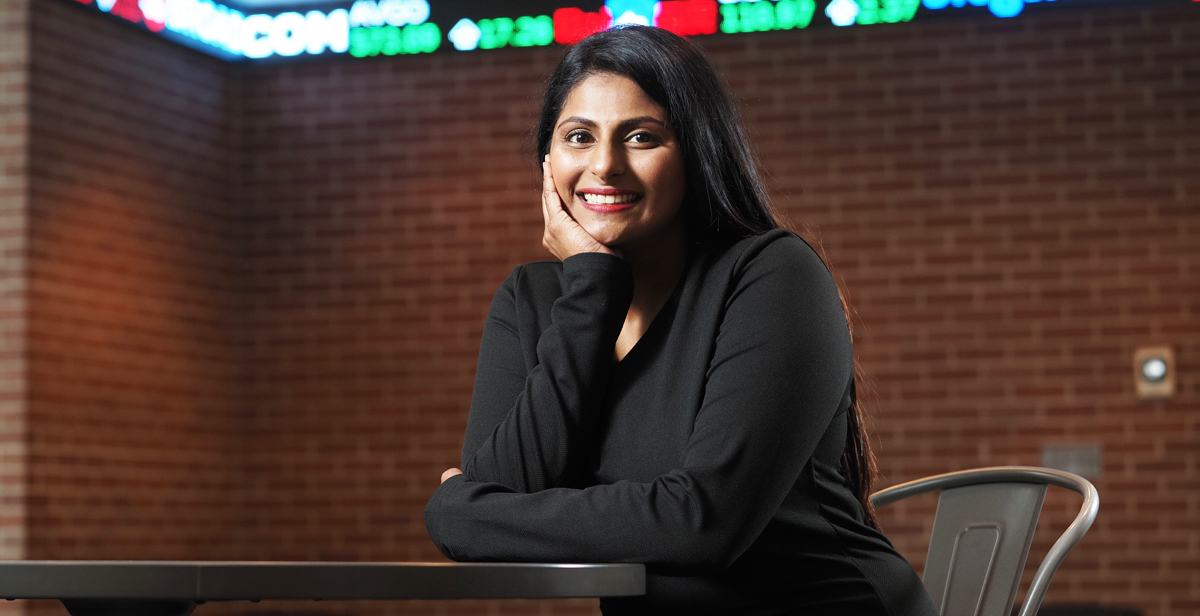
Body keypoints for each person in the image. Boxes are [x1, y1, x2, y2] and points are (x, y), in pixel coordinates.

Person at [424, 26, 937, 616]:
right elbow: (504, 497)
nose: (605, 166)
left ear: (696, 151)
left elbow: (704, 522)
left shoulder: (772, 275)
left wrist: (457, 510)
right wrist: (591, 289)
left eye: (641, 137)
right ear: (548, 160)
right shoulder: (531, 300)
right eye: (578, 137)